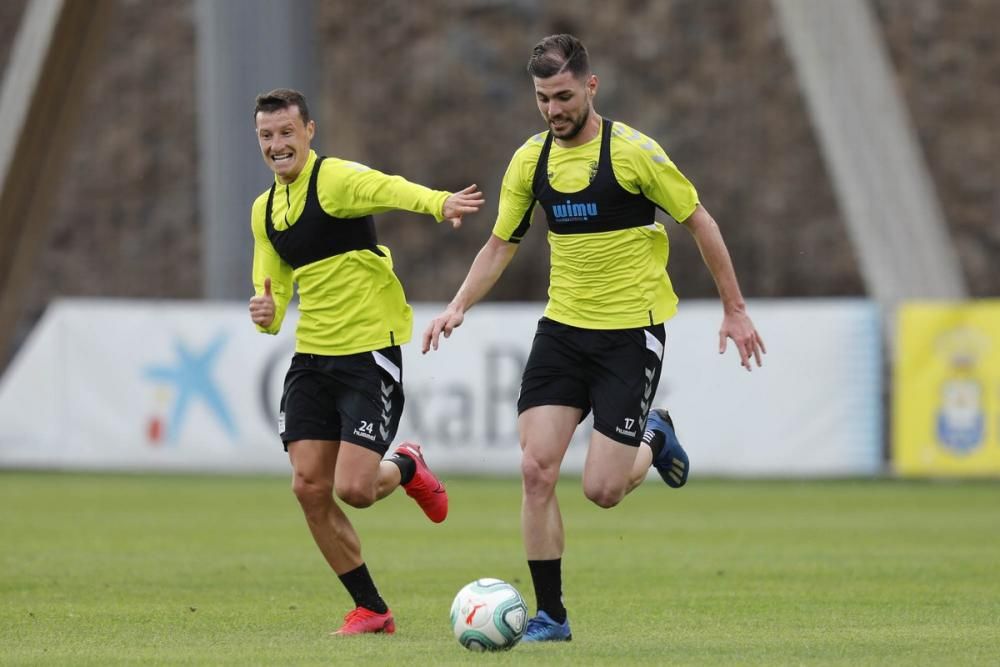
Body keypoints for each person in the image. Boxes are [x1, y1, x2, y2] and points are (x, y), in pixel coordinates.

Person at [421, 35, 765, 641]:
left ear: (591, 86)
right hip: (562, 332)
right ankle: (551, 615)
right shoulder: (530, 161)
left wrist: (733, 309)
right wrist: (458, 305)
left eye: (563, 96)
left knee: (603, 490)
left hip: (629, 336)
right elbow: (501, 243)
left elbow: (699, 221)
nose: (553, 109)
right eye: (542, 98)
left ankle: (654, 437)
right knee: (535, 470)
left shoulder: (634, 153)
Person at [247, 88, 484, 636]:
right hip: (311, 356)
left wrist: (438, 203)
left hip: (367, 353)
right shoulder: (265, 212)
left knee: (354, 489)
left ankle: (405, 465)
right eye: (266, 136)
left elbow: (388, 188)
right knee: (308, 487)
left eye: (286, 132)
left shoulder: (334, 181)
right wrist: (264, 311)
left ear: (309, 131)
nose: (277, 145)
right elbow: (274, 299)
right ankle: (372, 609)